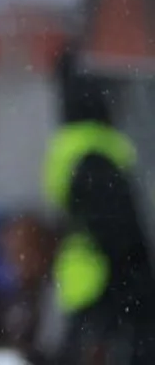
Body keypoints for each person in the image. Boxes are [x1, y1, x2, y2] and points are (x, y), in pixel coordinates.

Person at [42, 54, 155, 363]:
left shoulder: (70, 147)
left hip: (83, 281)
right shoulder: (97, 154)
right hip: (106, 285)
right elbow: (119, 233)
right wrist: (139, 279)